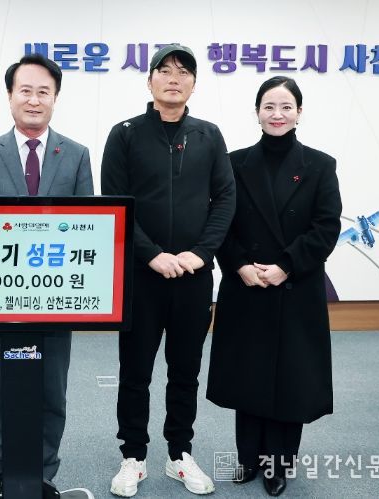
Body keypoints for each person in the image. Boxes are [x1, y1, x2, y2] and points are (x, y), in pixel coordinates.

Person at [101, 44, 235, 497]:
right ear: (150, 80)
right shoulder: (125, 134)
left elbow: (225, 199)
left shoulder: (209, 135)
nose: (174, 78)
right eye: (165, 70)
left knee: (185, 371)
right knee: (135, 371)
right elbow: (115, 203)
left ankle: (179, 454)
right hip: (142, 276)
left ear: (194, 84)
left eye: (183, 72)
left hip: (194, 277)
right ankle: (133, 456)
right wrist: (151, 254)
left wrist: (201, 253)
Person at [207, 76, 342, 497]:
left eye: (286, 106)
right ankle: (248, 458)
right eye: (269, 106)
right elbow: (219, 223)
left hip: (294, 286)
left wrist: (286, 265)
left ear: (299, 112)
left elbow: (326, 227)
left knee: (290, 378)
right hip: (246, 284)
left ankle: (279, 464)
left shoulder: (321, 165)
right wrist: (238, 265)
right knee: (248, 373)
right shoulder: (233, 162)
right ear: (257, 112)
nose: (277, 114)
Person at [0, 53, 94, 494]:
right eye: (26, 91)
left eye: (44, 92)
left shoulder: (76, 155)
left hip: (57, 297)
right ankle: (5, 469)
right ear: (10, 96)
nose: (34, 100)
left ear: (55, 98)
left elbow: (89, 229)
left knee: (51, 391)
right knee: (1, 390)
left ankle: (44, 472)